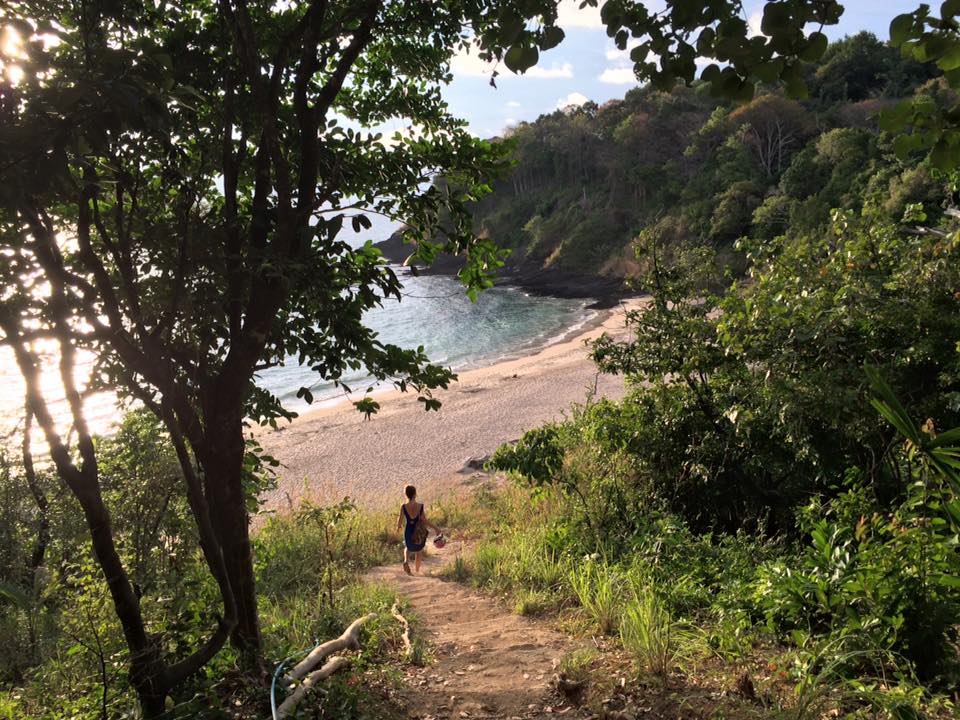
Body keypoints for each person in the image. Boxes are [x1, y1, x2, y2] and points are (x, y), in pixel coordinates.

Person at [396, 484, 441, 575]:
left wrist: (398, 527)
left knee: (407, 547)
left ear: (406, 494)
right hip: (418, 531)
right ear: (415, 494)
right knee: (419, 551)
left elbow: (400, 520)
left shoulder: (404, 506)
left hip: (408, 530)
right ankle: (417, 571)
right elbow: (424, 520)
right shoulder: (420, 506)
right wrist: (435, 528)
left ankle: (405, 561)